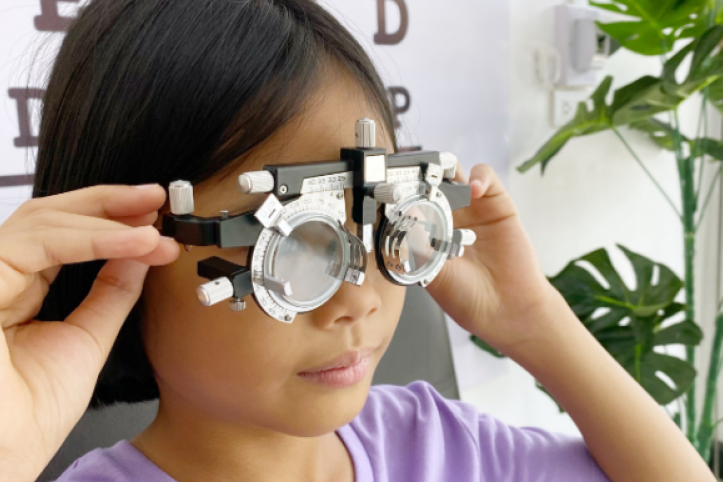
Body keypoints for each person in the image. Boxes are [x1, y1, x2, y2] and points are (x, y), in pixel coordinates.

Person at [0, 1, 712, 481]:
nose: (357, 299)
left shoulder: (437, 446)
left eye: (377, 222)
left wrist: (531, 322)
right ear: (123, 251)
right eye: (295, 245)